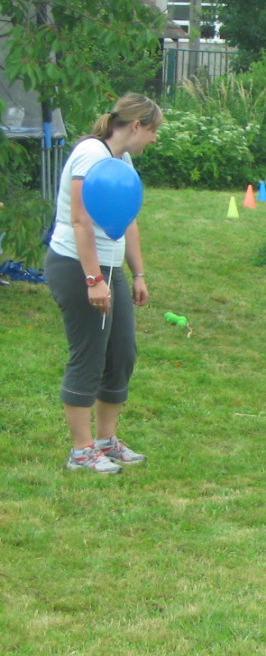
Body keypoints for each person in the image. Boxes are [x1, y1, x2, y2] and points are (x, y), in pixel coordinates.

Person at [45, 92, 162, 473]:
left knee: (122, 353)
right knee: (90, 353)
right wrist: (94, 279)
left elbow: (127, 218)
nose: (154, 139)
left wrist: (138, 273)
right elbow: (81, 221)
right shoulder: (90, 155)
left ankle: (104, 441)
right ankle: (81, 451)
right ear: (136, 125)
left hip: (109, 268)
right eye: (153, 131)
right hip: (75, 266)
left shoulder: (121, 160)